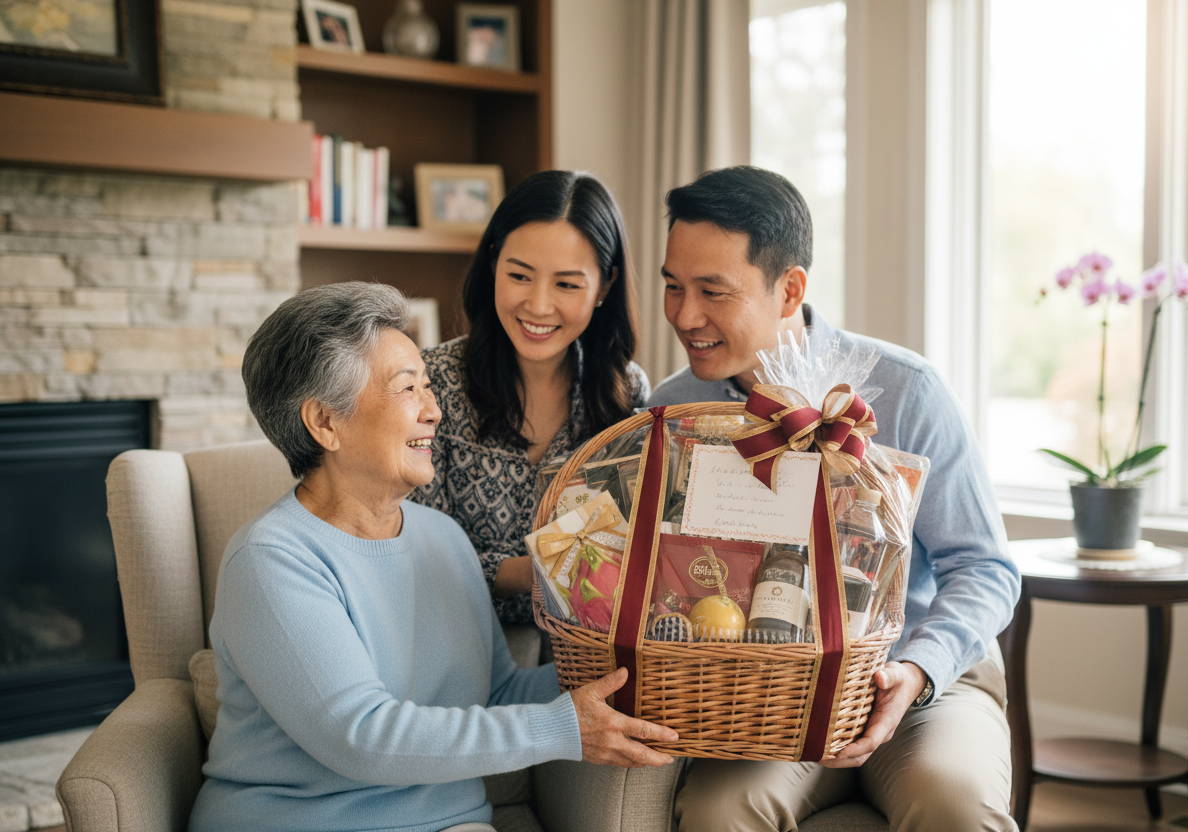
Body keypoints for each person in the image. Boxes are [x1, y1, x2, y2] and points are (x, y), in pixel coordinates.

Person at [189, 282, 676, 832]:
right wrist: (561, 728)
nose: (434, 411)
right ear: (325, 422)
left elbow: (497, 694)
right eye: (407, 389)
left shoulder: (443, 538)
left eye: (428, 386)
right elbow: (360, 736)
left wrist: (636, 664)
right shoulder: (270, 561)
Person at [648, 166, 1021, 831]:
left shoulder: (907, 391)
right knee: (716, 813)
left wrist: (920, 668)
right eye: (673, 286)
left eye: (712, 291)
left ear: (790, 289)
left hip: (920, 682)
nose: (683, 316)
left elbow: (985, 568)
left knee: (954, 801)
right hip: (765, 698)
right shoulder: (674, 410)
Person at [410, 170, 648, 625]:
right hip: (457, 637)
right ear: (493, 264)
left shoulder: (628, 393)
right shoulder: (431, 383)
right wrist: (536, 571)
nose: (538, 305)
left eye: (567, 284)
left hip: (583, 647)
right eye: (519, 275)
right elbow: (415, 554)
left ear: (605, 286)